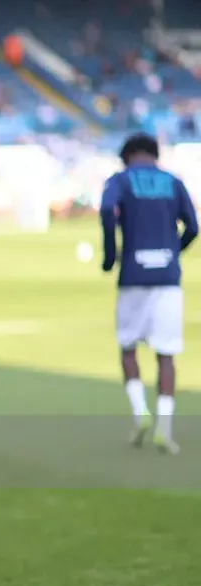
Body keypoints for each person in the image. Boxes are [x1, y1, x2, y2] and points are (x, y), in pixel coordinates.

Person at [101, 132, 197, 454]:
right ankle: (164, 428)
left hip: (133, 273)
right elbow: (193, 226)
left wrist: (110, 255)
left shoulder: (121, 180)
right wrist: (174, 251)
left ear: (127, 155)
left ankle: (140, 410)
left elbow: (105, 210)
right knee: (166, 353)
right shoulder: (173, 181)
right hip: (168, 276)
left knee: (128, 346)